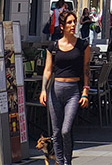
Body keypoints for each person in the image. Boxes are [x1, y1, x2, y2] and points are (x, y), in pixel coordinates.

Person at [40, 10, 90, 165]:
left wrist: (85, 92)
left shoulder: (82, 45)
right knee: (56, 132)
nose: (73, 25)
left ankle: (67, 162)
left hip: (73, 91)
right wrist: (43, 89)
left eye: (74, 21)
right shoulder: (53, 46)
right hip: (55, 90)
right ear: (62, 26)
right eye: (69, 22)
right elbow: (48, 70)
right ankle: (60, 162)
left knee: (66, 130)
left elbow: (86, 69)